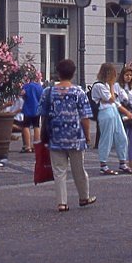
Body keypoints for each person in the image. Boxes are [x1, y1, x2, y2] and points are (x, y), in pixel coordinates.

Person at [37, 58, 95, 212]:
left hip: (55, 136)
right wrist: (87, 136)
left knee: (59, 171)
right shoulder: (79, 92)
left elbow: (43, 115)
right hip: (76, 137)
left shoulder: (48, 92)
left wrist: (44, 133)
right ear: (73, 74)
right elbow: (85, 117)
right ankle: (84, 197)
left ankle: (62, 203)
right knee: (79, 170)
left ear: (57, 73)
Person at [91, 62, 128, 175]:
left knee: (121, 136)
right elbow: (111, 98)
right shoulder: (99, 85)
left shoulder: (105, 85)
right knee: (106, 138)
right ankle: (103, 164)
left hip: (113, 111)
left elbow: (113, 100)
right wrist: (112, 86)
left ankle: (123, 162)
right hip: (105, 112)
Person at [20, 74, 44, 153]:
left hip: (28, 108)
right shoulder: (39, 87)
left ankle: (27, 146)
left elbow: (22, 94)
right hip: (37, 108)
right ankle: (35, 146)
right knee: (36, 126)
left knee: (26, 126)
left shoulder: (26, 86)